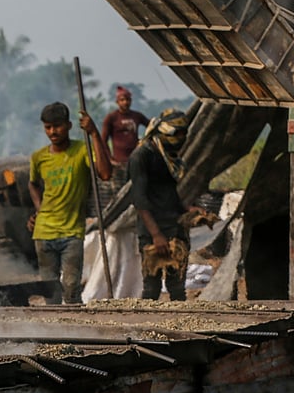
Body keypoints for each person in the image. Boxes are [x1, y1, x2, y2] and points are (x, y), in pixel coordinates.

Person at [27, 101, 112, 305]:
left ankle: (76, 332)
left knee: (72, 288)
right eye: (48, 127)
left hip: (71, 231)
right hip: (44, 233)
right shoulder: (39, 157)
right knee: (50, 291)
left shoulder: (82, 149)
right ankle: (56, 333)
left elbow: (105, 173)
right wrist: (39, 209)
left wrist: (93, 133)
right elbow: (32, 184)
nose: (53, 131)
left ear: (69, 125)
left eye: (57, 126)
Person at [129, 109, 200, 301]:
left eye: (184, 133)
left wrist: (188, 210)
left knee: (176, 288)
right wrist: (156, 235)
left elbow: (170, 193)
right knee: (151, 288)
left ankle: (178, 325)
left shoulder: (169, 157)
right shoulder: (141, 156)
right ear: (164, 133)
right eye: (177, 133)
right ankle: (149, 328)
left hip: (175, 227)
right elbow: (140, 200)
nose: (182, 138)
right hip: (153, 231)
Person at [100, 85, 150, 186]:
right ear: (117, 102)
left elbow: (151, 126)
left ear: (131, 101)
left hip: (136, 161)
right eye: (122, 100)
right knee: (121, 188)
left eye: (127, 99)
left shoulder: (137, 116)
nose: (125, 102)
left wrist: (144, 142)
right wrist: (110, 159)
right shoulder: (111, 118)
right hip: (119, 163)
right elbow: (103, 141)